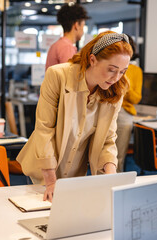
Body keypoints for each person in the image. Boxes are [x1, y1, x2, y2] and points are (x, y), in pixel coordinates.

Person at [17, 31, 133, 202]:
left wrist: (111, 178)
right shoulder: (58, 75)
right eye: (111, 70)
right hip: (42, 171)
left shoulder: (115, 90)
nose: (116, 78)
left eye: (122, 72)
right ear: (92, 60)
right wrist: (50, 181)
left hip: (75, 174)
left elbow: (108, 140)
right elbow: (44, 129)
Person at [115, 35, 142, 172]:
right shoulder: (111, 66)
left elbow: (136, 99)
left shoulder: (136, 71)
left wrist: (126, 84)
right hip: (108, 109)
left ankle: (115, 183)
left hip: (125, 113)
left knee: (119, 155)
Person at [45, 3, 90, 70]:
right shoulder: (67, 47)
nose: (83, 31)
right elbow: (70, 77)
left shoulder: (56, 45)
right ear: (76, 25)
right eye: (83, 26)